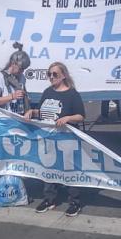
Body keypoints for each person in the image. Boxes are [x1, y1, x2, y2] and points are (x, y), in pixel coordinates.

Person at [24, 62, 85, 217]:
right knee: (48, 169)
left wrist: (68, 118)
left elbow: (81, 116)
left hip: (67, 140)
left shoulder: (72, 94)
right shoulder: (47, 92)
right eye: (49, 74)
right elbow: (43, 112)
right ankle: (49, 199)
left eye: (55, 74)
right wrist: (32, 111)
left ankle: (74, 202)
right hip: (48, 139)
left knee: (70, 171)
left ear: (63, 75)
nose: (51, 77)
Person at [0, 43, 31, 212]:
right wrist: (11, 96)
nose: (22, 72)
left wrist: (27, 111)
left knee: (18, 159)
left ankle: (16, 191)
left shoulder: (21, 78)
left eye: (24, 70)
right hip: (2, 124)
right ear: (13, 64)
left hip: (18, 123)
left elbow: (24, 98)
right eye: (21, 69)